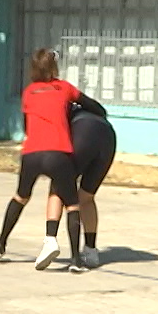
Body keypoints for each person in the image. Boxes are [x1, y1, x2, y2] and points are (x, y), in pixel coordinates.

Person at [0, 48, 106, 273]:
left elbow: (26, 126)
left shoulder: (28, 92)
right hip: (57, 153)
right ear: (54, 68)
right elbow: (95, 107)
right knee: (72, 203)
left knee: (21, 196)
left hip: (31, 153)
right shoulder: (64, 88)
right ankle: (75, 260)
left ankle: (1, 243)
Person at [46, 103, 117, 269]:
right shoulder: (82, 106)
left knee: (57, 187)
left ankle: (50, 240)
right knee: (86, 196)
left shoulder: (56, 112)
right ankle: (91, 251)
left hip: (83, 135)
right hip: (107, 137)